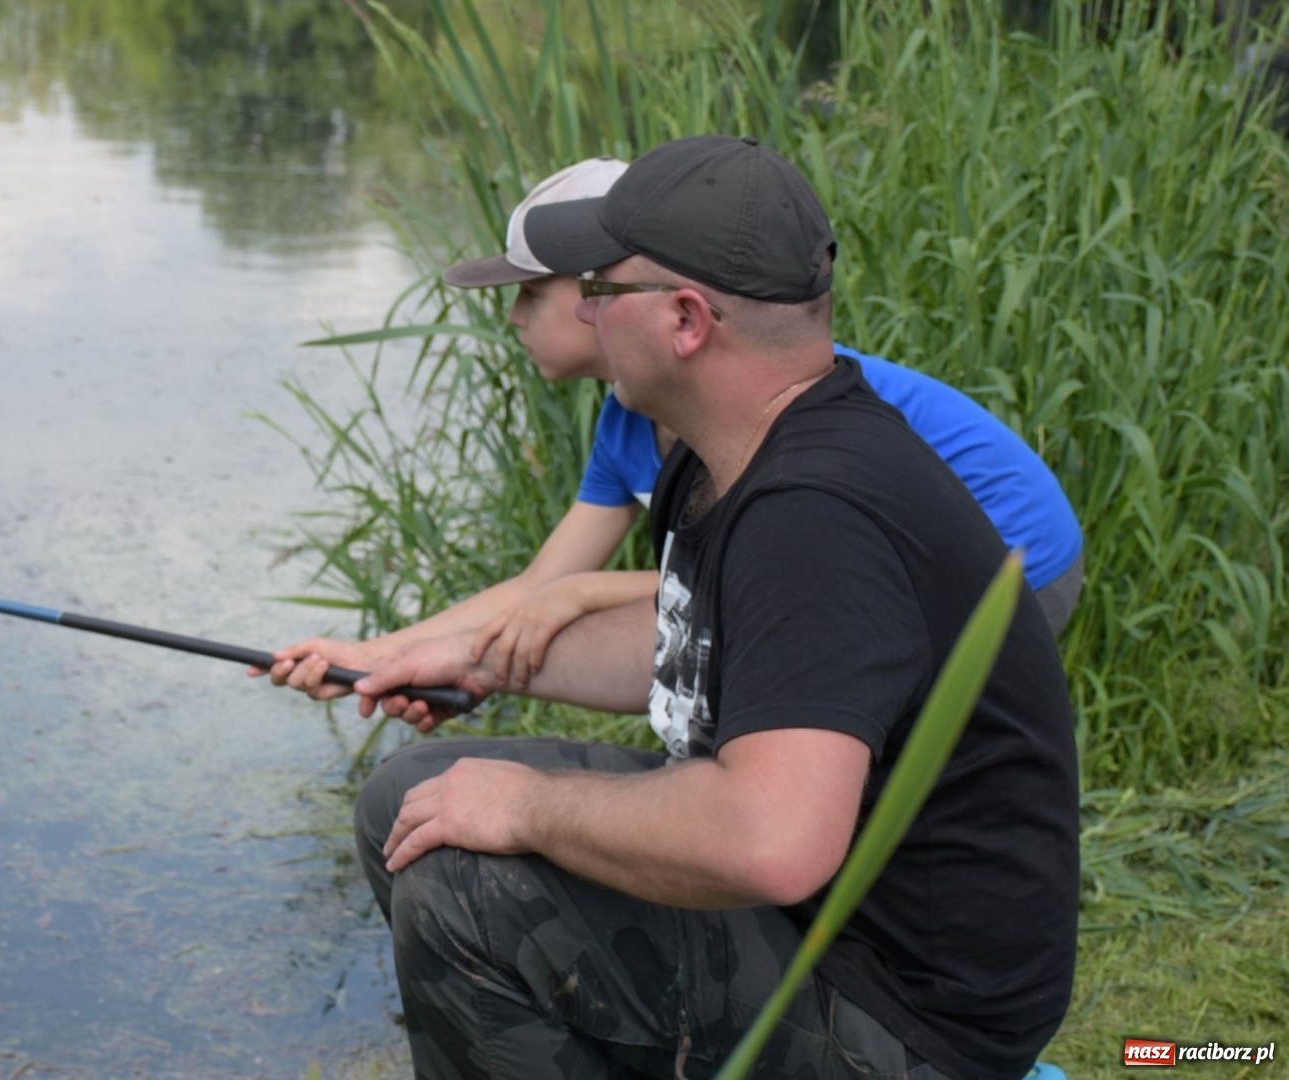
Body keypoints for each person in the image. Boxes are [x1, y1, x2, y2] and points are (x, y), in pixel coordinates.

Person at [323, 137, 1081, 1078]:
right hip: (824, 913)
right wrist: (475, 659)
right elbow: (694, 635)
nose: (586, 311)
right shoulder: (720, 453)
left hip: (905, 1013)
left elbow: (770, 841)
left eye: (602, 289)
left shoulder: (817, 510)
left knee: (463, 890)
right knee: (412, 798)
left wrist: (528, 808)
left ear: (685, 319)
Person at [264, 157, 1082, 701]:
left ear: (622, 291)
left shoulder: (766, 402)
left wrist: (584, 596)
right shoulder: (629, 420)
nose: (513, 317)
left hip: (1011, 573)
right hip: (867, 579)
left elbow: (773, 578)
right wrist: (379, 654)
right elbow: (542, 584)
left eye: (533, 294)